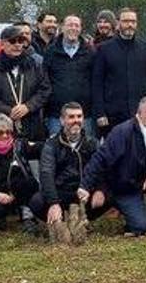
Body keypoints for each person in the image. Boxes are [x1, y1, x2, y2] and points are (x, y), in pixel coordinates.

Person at [78, 95, 146, 237]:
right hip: (121, 188)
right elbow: (100, 158)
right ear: (139, 113)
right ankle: (121, 207)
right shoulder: (122, 132)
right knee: (140, 226)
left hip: (141, 183)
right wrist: (85, 186)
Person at [33, 102, 107, 242]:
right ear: (62, 120)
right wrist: (53, 203)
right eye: (71, 117)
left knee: (109, 194)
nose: (76, 121)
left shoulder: (93, 143)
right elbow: (46, 174)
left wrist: (100, 190)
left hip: (84, 194)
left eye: (79, 116)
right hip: (61, 193)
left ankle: (80, 219)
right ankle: (60, 222)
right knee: (37, 202)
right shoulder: (51, 145)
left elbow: (101, 169)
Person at [0, 23, 51, 146]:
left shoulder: (35, 65)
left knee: (32, 162)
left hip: (31, 124)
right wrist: (8, 110)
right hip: (1, 126)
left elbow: (45, 90)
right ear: (3, 43)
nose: (17, 44)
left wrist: (28, 106)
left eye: (21, 40)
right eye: (12, 41)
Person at [91, 8, 146, 138]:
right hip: (112, 115)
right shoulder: (104, 49)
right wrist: (100, 113)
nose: (130, 25)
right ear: (118, 23)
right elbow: (97, 83)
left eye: (133, 21)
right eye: (126, 21)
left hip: (141, 113)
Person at [44, 15, 96, 138]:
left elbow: (95, 81)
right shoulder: (51, 51)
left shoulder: (90, 52)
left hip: (85, 114)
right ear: (62, 27)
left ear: (81, 29)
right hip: (56, 114)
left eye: (76, 25)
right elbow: (44, 80)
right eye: (70, 25)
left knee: (85, 151)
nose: (73, 28)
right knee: (56, 151)